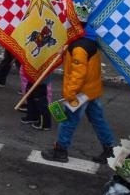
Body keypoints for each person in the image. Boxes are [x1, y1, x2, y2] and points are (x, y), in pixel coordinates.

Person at [42, 30, 115, 163]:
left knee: (68, 121)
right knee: (98, 120)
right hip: (92, 90)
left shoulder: (79, 48)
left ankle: (60, 150)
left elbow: (78, 74)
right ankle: (109, 149)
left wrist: (70, 94)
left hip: (79, 93)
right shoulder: (90, 41)